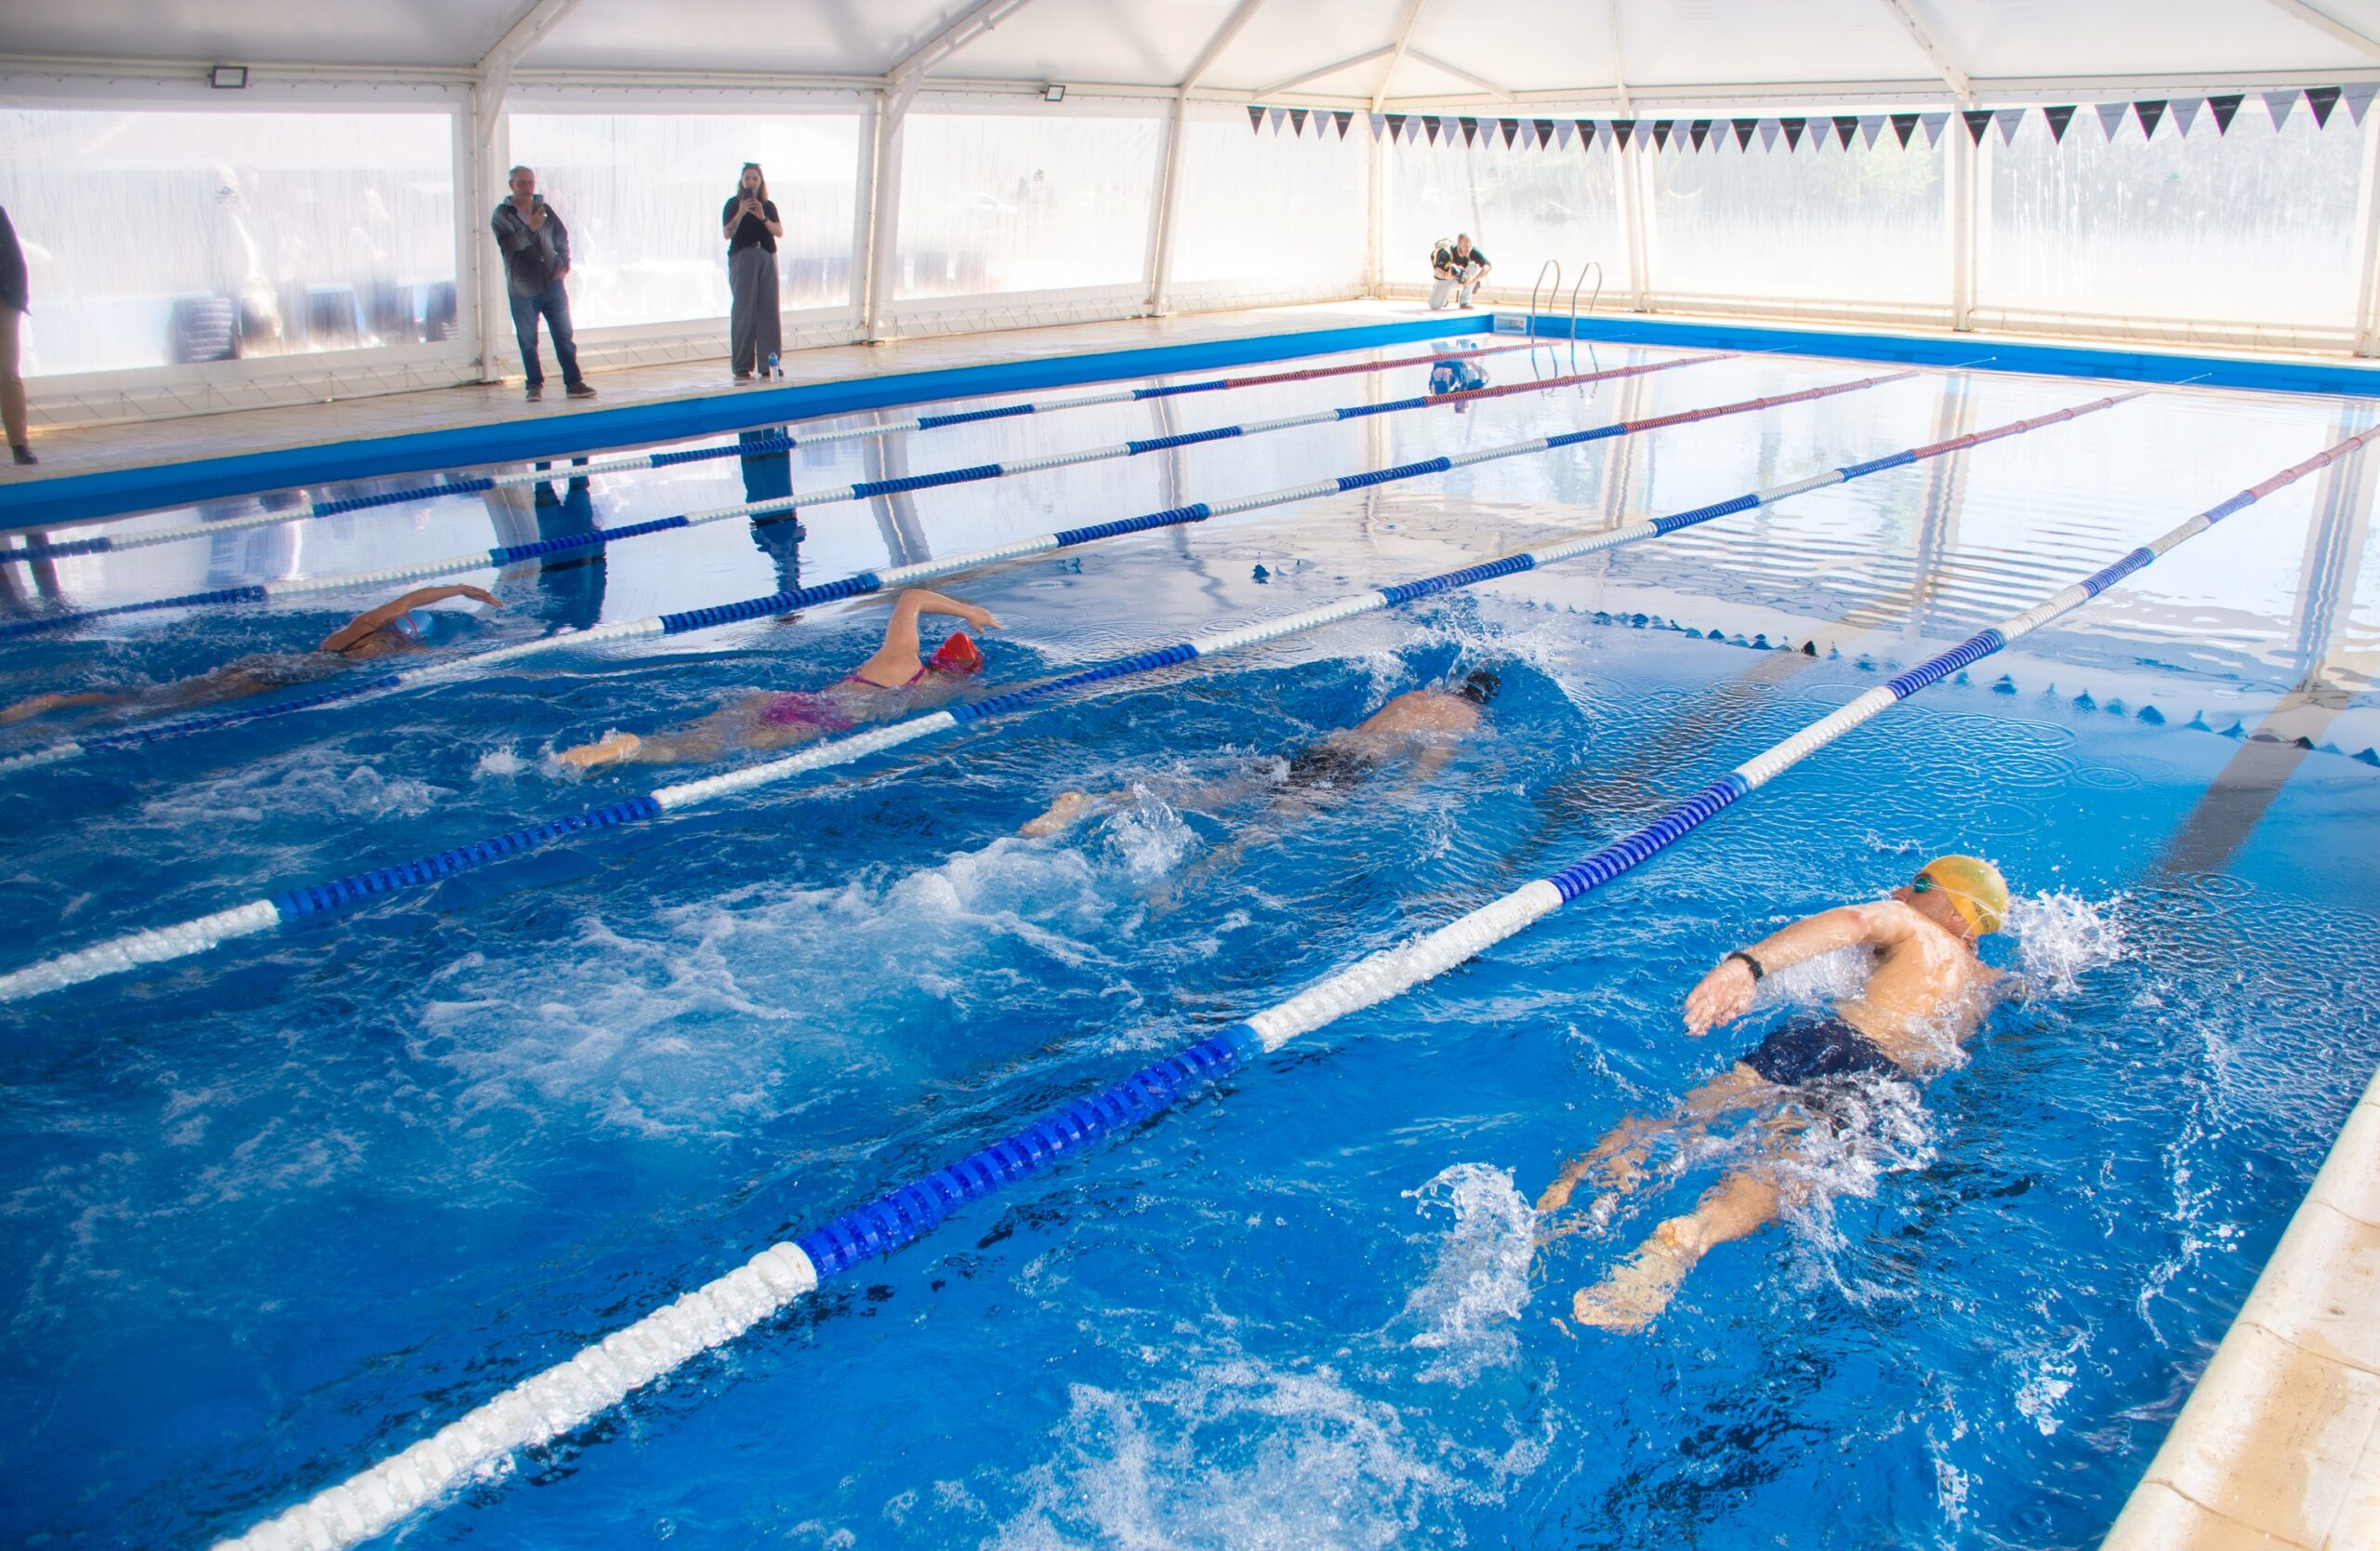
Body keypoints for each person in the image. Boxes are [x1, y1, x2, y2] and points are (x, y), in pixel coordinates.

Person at [1536, 855, 2013, 1332]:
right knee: (1788, 1170)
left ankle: (1573, 1186)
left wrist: (1746, 967)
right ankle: (1701, 1230)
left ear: (1957, 915)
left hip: (1826, 1037)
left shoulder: (1912, 926)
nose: (1900, 893)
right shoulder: (1984, 988)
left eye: (1921, 884)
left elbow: (1854, 921)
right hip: (1883, 1082)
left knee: (1696, 1110)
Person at [1020, 669, 1501, 838]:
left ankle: (1094, 800)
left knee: (1212, 793)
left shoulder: (1415, 697)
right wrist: (1396, 800)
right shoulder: (1463, 719)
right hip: (1348, 769)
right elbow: (1424, 771)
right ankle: (1185, 883)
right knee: (1262, 834)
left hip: (1317, 751)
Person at [558, 588, 998, 768]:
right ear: (959, 678)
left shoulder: (898, 657)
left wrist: (969, 611)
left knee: (702, 730)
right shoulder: (930, 698)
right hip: (815, 723)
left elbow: (910, 597)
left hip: (781, 698)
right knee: (697, 751)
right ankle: (631, 749)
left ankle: (622, 743)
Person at [0, 584, 500, 725]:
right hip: (275, 683)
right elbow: (440, 668)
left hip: (268, 662)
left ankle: (54, 702)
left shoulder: (358, 630)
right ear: (410, 639)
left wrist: (457, 587)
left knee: (156, 693)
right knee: (162, 708)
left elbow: (410, 599)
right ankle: (70, 725)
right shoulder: (386, 655)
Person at [489, 166, 594, 403]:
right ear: (511, 185)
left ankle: (574, 382)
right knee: (528, 340)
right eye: (522, 183)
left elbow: (561, 235)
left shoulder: (543, 210)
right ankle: (534, 384)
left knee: (564, 335)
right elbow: (510, 244)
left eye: (531, 183)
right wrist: (530, 228)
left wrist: (565, 264)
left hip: (552, 285)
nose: (528, 188)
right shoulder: (502, 215)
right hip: (523, 289)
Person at [722, 163, 783, 384]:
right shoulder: (732, 204)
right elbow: (727, 234)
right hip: (743, 256)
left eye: (755, 178)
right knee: (743, 310)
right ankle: (741, 365)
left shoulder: (768, 205)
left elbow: (779, 231)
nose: (751, 182)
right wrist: (741, 212)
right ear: (742, 181)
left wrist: (762, 216)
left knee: (768, 310)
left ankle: (770, 363)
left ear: (761, 182)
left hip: (765, 254)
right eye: (747, 178)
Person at [1, 205, 33, 465]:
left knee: (7, 372)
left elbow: (15, 259)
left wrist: (17, 300)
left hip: (4, 299)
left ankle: (19, 444)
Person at [1430, 233, 1490, 310]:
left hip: (1460, 279)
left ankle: (1464, 302)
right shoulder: (1445, 252)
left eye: (1469, 246)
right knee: (1435, 306)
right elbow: (1437, 270)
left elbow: (1488, 266)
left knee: (1473, 268)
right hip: (1444, 279)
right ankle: (1442, 296)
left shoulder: (1471, 250)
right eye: (1465, 246)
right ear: (1458, 243)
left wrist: (1474, 280)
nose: (1467, 249)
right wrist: (1446, 274)